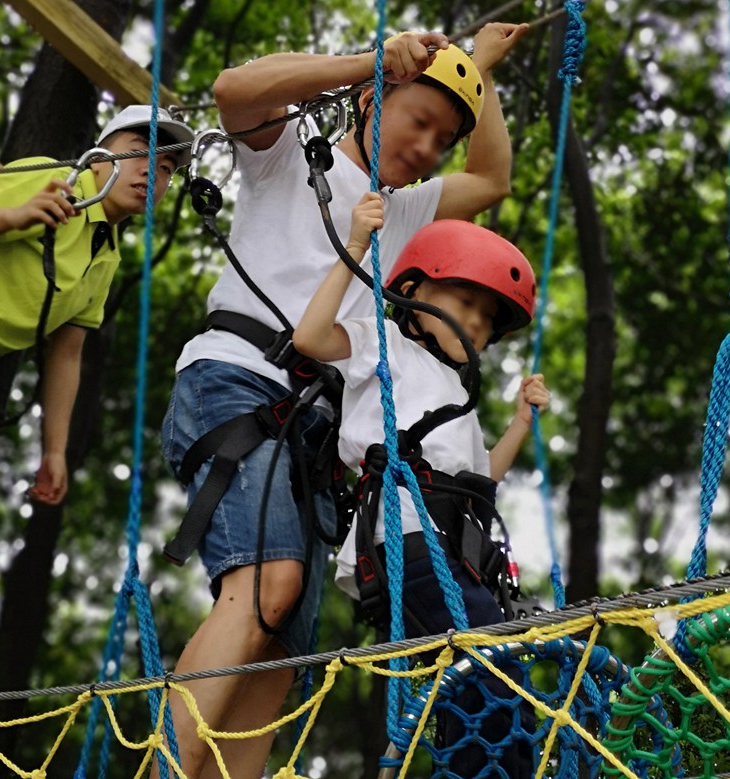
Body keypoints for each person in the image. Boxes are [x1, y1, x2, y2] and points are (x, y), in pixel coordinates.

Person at [159, 23, 528, 779]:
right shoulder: (289, 156)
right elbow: (233, 90)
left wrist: (473, 73)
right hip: (237, 378)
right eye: (416, 121)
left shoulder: (402, 214)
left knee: (280, 645)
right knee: (268, 585)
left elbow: (491, 178)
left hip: (314, 424)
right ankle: (170, 766)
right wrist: (372, 58)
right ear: (369, 101)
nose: (429, 148)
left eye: (442, 138)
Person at [293, 194, 549, 777]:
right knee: (489, 658)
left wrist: (519, 425)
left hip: (455, 552)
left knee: (486, 677)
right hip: (404, 542)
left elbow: (481, 479)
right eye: (465, 302)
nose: (477, 323)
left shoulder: (458, 395)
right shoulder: (385, 344)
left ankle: (487, 767)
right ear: (415, 292)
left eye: (489, 319)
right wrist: (355, 244)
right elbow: (310, 338)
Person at [0, 105, 194, 504]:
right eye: (140, 151)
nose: (154, 172)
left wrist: (54, 451)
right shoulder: (54, 179)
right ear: (98, 161)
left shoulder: (106, 257)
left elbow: (66, 353)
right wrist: (15, 216)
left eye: (167, 168)